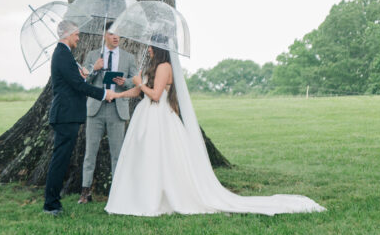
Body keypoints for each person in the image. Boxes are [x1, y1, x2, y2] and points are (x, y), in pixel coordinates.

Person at [105, 41, 325, 217]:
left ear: (161, 49)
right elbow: (138, 92)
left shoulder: (164, 67)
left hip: (159, 116)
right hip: (145, 117)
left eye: (152, 46)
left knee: (162, 157)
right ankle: (142, 194)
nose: (148, 48)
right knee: (146, 158)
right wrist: (119, 92)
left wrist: (139, 82)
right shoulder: (152, 67)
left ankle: (162, 197)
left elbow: (154, 95)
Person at [43, 19, 115, 216]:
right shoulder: (62, 55)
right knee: (60, 160)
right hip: (65, 115)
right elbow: (78, 86)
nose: (78, 37)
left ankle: (53, 202)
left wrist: (88, 71)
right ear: (66, 34)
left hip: (69, 115)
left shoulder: (66, 55)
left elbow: (76, 79)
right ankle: (51, 204)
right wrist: (103, 94)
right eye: (76, 34)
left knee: (62, 159)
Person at [78, 25, 138, 204]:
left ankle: (117, 192)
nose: (115, 37)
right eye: (112, 33)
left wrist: (125, 81)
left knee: (117, 153)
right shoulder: (92, 55)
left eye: (118, 34)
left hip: (117, 109)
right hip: (95, 109)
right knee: (90, 152)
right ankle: (85, 192)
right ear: (105, 35)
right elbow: (83, 80)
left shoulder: (128, 57)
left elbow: (136, 81)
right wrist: (95, 68)